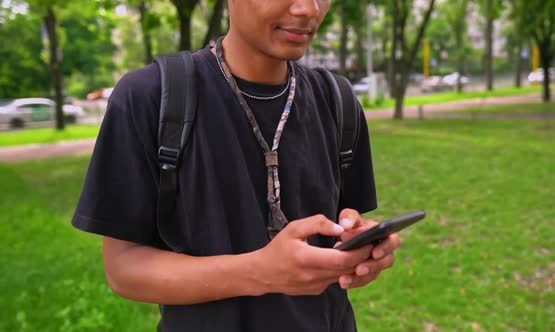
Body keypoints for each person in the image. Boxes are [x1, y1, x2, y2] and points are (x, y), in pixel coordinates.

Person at [72, 0, 401, 331]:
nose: (308, 9)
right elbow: (123, 269)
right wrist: (260, 271)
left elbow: (343, 224)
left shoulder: (338, 101)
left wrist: (357, 247)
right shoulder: (149, 97)